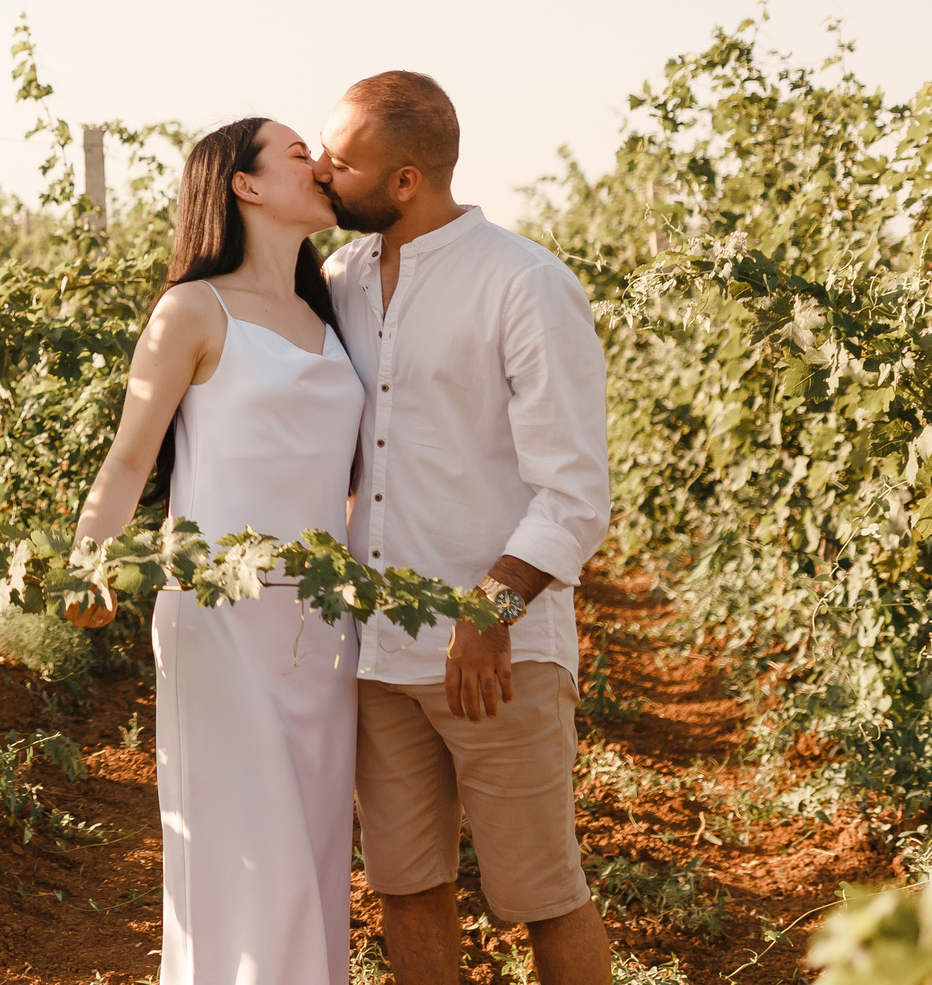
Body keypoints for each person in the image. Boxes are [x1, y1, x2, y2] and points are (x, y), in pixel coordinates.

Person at [314, 71, 613, 985]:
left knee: (542, 894)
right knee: (406, 888)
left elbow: (574, 490)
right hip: (377, 658)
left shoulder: (524, 282)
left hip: (497, 657)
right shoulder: (338, 282)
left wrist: (491, 610)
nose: (325, 171)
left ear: (405, 180)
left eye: (344, 158)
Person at [65, 117, 365, 985]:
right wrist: (91, 560)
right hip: (221, 617)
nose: (322, 164)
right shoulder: (193, 308)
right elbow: (129, 457)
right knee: (246, 853)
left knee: (309, 853)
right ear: (245, 184)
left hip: (319, 626)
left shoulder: (331, 310)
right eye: (300, 152)